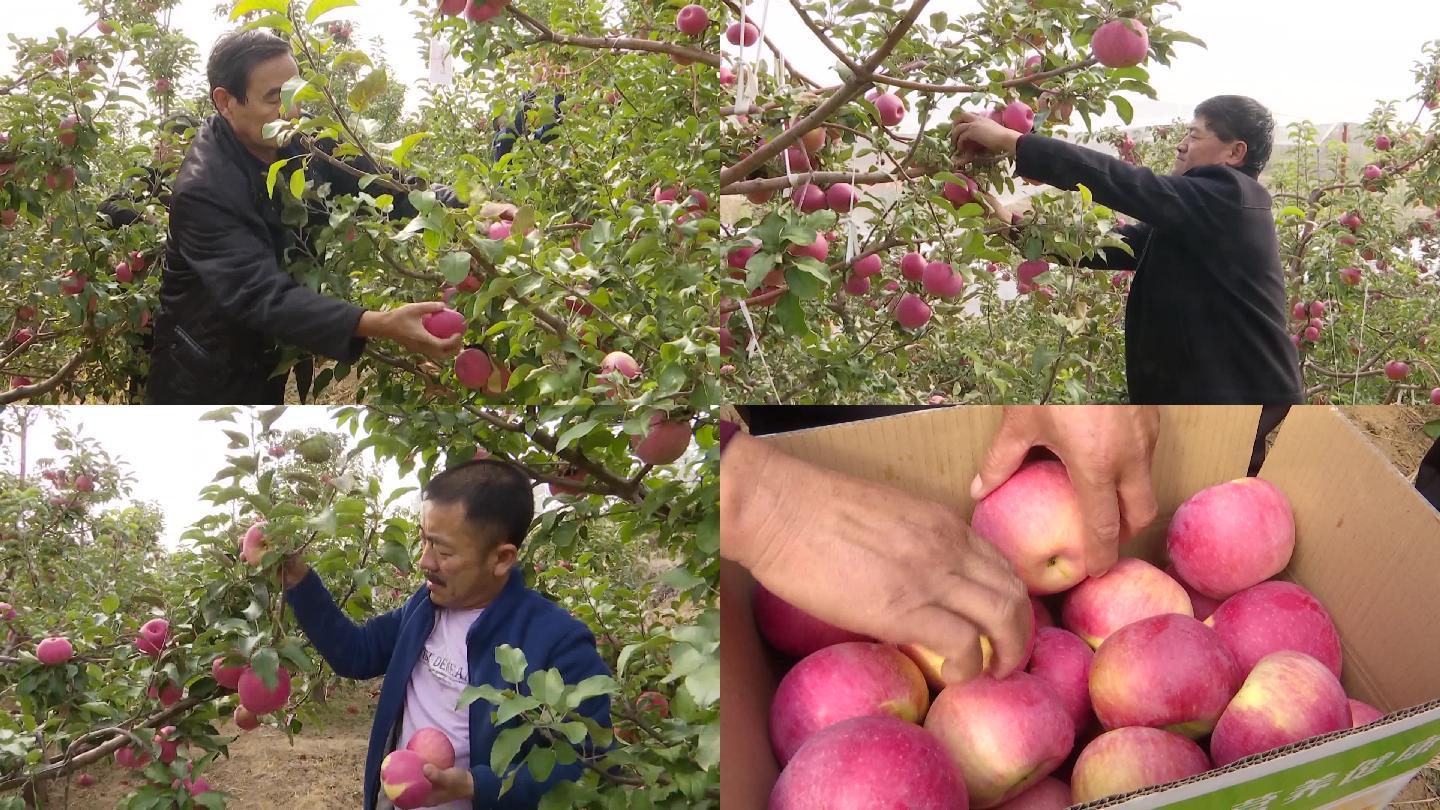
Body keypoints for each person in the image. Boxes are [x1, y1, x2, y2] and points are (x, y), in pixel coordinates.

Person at [148, 29, 468, 404]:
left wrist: (462, 210)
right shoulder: (205, 188)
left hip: (266, 356)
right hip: (200, 375)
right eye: (273, 99)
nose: (292, 112)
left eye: (294, 95)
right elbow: (259, 294)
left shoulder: (304, 137)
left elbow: (383, 186)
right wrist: (380, 324)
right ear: (225, 101)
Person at [281, 459, 612, 810]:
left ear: (501, 558)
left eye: (443, 550)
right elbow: (356, 653)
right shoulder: (425, 608)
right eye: (424, 541)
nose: (425, 560)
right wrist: (298, 579)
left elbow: (590, 765)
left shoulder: (558, 643)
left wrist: (475, 785)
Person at [952, 95, 1304, 406]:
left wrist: (1012, 141)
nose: (1181, 145)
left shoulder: (1231, 196)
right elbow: (1103, 249)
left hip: (1246, 404)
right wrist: (1009, 223)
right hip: (1218, 401)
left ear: (1235, 152)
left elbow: (1127, 184)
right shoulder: (1200, 216)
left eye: (1194, 135)